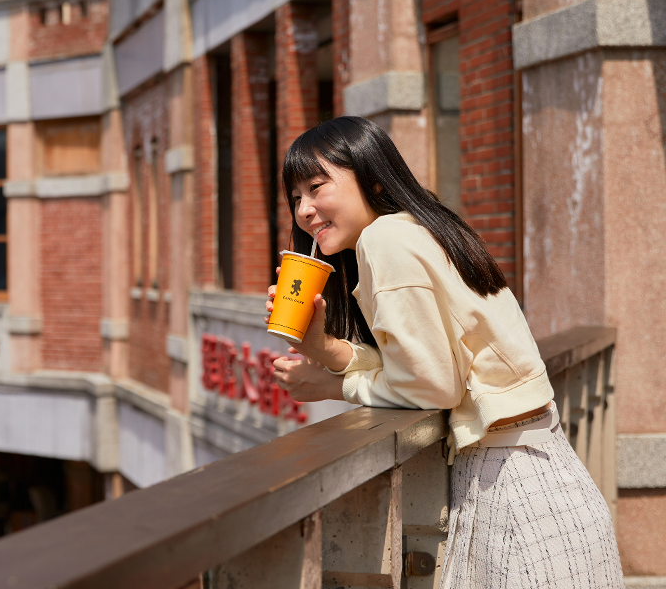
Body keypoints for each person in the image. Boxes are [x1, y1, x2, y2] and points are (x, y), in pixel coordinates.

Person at [265, 117, 624, 588]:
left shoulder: (384, 239)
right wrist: (326, 349)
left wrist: (333, 385)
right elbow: (422, 364)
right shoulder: (418, 227)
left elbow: (433, 386)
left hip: (513, 486)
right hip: (534, 468)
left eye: (317, 186)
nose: (305, 209)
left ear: (373, 179)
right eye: (295, 198)